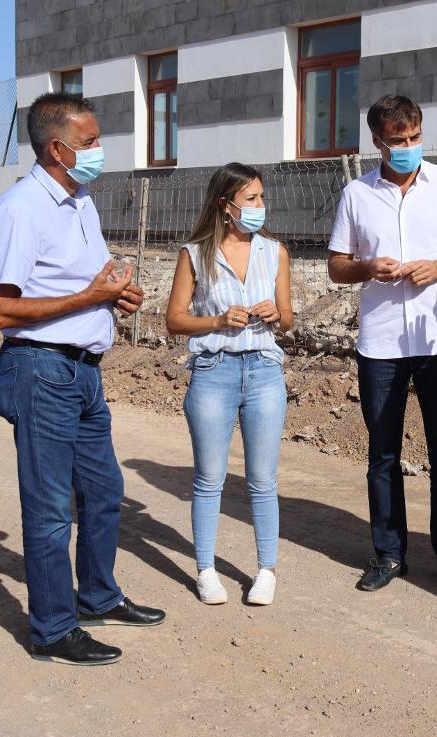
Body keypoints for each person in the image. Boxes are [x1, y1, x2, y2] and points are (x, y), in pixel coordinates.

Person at [0, 92, 165, 666]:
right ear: (57, 148)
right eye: (89, 142)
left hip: (84, 373)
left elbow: (81, 285)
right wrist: (91, 297)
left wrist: (114, 299)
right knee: (51, 508)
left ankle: (97, 596)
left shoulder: (80, 201)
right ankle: (53, 630)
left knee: (105, 491)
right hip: (40, 370)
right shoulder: (19, 210)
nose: (98, 151)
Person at [327, 94, 437, 596]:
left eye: (415, 138)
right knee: (382, 454)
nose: (408, 148)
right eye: (397, 141)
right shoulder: (357, 194)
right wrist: (365, 268)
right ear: (377, 141)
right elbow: (336, 267)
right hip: (380, 344)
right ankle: (389, 554)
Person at [164, 163, 293, 607]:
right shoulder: (195, 254)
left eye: (261, 197)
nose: (260, 206)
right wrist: (217, 321)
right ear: (226, 205)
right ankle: (205, 570)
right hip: (212, 372)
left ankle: (266, 570)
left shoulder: (274, 251)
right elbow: (174, 319)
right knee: (208, 479)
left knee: (262, 480)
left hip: (263, 371)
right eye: (251, 199)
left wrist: (277, 315)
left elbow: (289, 317)